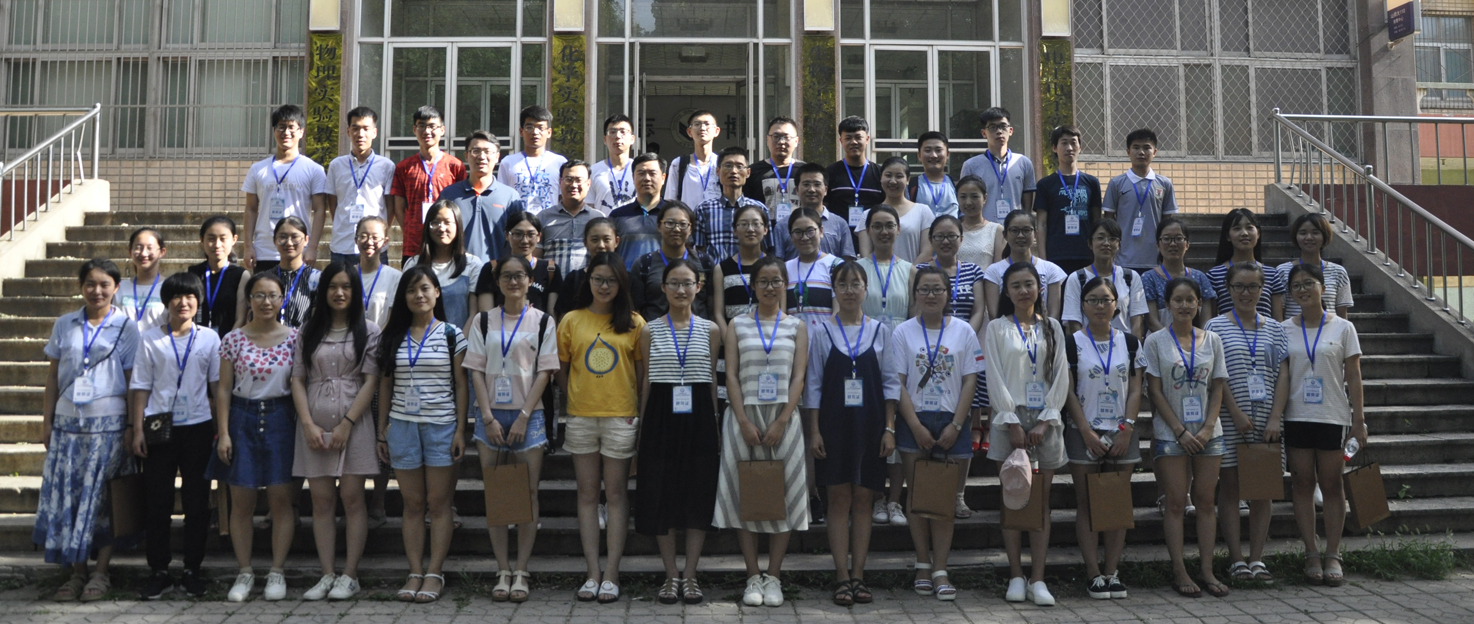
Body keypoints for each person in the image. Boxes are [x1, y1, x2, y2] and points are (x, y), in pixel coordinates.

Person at [37, 258, 140, 602]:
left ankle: (101, 572)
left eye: (105, 284)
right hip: (67, 424)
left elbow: (132, 380)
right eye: (90, 284)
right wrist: (47, 421)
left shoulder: (126, 327)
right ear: (80, 287)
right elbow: (53, 376)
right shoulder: (64, 324)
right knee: (71, 497)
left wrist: (132, 425)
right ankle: (77, 572)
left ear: (116, 288)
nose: (97, 291)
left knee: (102, 500)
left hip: (108, 426)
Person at [714, 256, 809, 609]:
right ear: (753, 286)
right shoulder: (737, 324)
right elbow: (731, 374)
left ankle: (775, 576)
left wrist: (782, 420)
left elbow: (799, 377)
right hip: (744, 417)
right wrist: (742, 420)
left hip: (783, 418)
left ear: (786, 284)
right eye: (764, 281)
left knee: (784, 494)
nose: (770, 287)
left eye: (776, 280)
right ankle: (752, 574)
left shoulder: (796, 326)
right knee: (745, 493)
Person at [465, 256, 559, 603]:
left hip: (528, 416)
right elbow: (475, 370)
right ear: (498, 281)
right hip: (490, 416)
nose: (514, 281)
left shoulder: (543, 321)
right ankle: (502, 569)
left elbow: (545, 372)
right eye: (507, 276)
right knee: (498, 492)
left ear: (530, 280)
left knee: (528, 493)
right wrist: (488, 418)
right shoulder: (484, 320)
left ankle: (521, 569)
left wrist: (523, 416)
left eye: (520, 275)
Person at [286, 262, 382, 601]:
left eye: (346, 286)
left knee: (353, 498)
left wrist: (347, 424)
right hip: (314, 423)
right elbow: (297, 379)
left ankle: (350, 575)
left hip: (354, 424)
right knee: (321, 501)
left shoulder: (368, 330)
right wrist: (307, 424)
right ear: (323, 291)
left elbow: (371, 380)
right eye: (332, 287)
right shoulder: (308, 329)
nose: (339, 293)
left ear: (355, 292)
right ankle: (327, 573)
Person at [804, 260, 897, 606]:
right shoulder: (822, 332)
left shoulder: (880, 331)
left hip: (871, 425)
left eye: (855, 284)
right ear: (834, 290)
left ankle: (859, 574)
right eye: (842, 285)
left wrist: (889, 428)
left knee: (864, 499)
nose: (849, 291)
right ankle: (841, 576)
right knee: (839, 498)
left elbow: (890, 384)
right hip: (833, 425)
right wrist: (814, 431)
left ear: (865, 289)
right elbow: (813, 386)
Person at [375, 265, 468, 604]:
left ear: (437, 292)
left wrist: (461, 430)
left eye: (425, 288)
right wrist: (382, 432)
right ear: (404, 296)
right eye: (412, 290)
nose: (419, 295)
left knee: (439, 504)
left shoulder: (452, 335)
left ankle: (434, 572)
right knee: (413, 504)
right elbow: (386, 385)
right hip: (402, 427)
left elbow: (461, 385)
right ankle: (415, 571)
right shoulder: (393, 335)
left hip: (442, 426)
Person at [558, 252, 647, 604]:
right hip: (581, 417)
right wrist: (575, 399)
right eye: (598, 279)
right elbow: (562, 370)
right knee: (586, 494)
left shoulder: (635, 323)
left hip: (620, 417)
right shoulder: (571, 320)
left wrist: (638, 414)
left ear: (621, 283)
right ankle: (592, 572)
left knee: (616, 495)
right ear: (588, 281)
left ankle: (612, 573)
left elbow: (641, 375)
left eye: (611, 280)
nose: (604, 286)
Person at [891, 265, 983, 602]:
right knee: (917, 495)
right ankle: (922, 563)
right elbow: (898, 382)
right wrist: (914, 426)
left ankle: (941, 568)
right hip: (913, 419)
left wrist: (957, 425)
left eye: (937, 289)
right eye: (924, 289)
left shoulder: (964, 331)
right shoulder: (903, 332)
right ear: (915, 294)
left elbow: (970, 380)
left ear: (948, 294)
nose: (930, 295)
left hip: (951, 420)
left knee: (943, 497)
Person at [209, 271, 299, 603]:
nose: (266, 301)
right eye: (259, 295)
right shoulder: (233, 339)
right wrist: (224, 433)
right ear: (248, 300)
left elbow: (300, 384)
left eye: (272, 295)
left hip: (281, 419)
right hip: (241, 419)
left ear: (282, 300)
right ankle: (245, 571)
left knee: (281, 501)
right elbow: (223, 390)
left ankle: (277, 570)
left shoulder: (295, 338)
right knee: (242, 502)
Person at [635, 259, 721, 606]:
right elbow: (646, 381)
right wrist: (643, 426)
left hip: (698, 416)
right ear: (663, 288)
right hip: (661, 416)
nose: (681, 290)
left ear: (699, 287)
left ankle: (691, 575)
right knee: (662, 493)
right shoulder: (649, 330)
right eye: (674, 283)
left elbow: (711, 379)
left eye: (687, 283)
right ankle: (671, 574)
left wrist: (715, 422)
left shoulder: (711, 330)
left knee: (698, 494)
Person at [130, 272, 219, 600]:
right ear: (166, 302)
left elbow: (216, 388)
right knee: (158, 501)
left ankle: (192, 568)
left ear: (198, 301)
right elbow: (141, 386)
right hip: (158, 425)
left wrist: (221, 430)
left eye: (190, 296)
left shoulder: (209, 338)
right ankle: (159, 571)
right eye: (177, 297)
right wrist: (137, 429)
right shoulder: (150, 338)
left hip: (199, 426)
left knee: (197, 502)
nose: (183, 302)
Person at [985, 262, 1070, 606]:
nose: (1023, 291)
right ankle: (1015, 575)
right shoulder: (996, 328)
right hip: (1009, 418)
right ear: (1006, 292)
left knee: (1041, 503)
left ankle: (1038, 578)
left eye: (1029, 284)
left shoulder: (1052, 327)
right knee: (1012, 498)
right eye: (1016, 285)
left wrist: (1045, 421)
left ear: (1039, 288)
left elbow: (1061, 374)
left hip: (1046, 420)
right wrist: (1012, 422)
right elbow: (993, 375)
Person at [1143, 277, 1230, 598]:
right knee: (1176, 502)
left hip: (1209, 434)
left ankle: (1207, 570)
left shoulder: (1213, 340)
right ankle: (1179, 570)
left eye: (1190, 300)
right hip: (1171, 434)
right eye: (1177, 300)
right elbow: (1154, 391)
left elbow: (1218, 387)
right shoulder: (1155, 341)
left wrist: (1207, 427)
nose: (1184, 305)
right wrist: (1179, 431)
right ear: (1167, 304)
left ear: (1199, 303)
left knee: (1206, 502)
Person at [1205, 263, 1291, 584]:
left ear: (1262, 290)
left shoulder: (1276, 329)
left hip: (1267, 421)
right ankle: (1236, 559)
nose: (1246, 292)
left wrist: (1275, 416)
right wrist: (1236, 413)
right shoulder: (1214, 326)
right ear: (1228, 289)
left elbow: (1283, 374)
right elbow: (1216, 375)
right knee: (1230, 488)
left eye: (1253, 286)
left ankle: (1257, 558)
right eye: (1239, 286)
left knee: (1262, 492)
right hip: (1229, 420)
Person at [1281, 264, 1365, 587]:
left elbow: (1354, 376)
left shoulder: (1343, 328)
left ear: (1323, 288)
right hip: (1297, 415)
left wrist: (1359, 420)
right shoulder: (1284, 329)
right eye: (1296, 286)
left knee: (1332, 485)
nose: (1303, 289)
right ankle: (1311, 552)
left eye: (1309, 283)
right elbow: (1283, 376)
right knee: (1302, 484)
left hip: (1333, 416)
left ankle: (1333, 553)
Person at [1063, 276, 1142, 601]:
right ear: (1083, 305)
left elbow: (1136, 388)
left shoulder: (1130, 342)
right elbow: (1068, 390)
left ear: (1116, 304)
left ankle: (1112, 572)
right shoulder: (1072, 343)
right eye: (1093, 300)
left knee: (1116, 502)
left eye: (1106, 300)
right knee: (1086, 504)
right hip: (1083, 431)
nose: (1099, 306)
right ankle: (1093, 574)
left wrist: (1127, 428)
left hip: (1122, 431)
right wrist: (1085, 431)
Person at [915, 215, 987, 519]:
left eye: (952, 236)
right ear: (931, 239)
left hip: (963, 349)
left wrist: (962, 337)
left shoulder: (973, 270)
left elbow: (980, 308)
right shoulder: (920, 270)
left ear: (961, 239)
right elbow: (915, 308)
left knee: (962, 424)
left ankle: (958, 495)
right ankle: (927, 492)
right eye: (939, 236)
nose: (946, 241)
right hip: (927, 350)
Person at [858, 206, 913, 528]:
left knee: (898, 430)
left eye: (889, 225)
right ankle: (877, 496)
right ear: (867, 230)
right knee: (873, 429)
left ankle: (894, 500)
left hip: (901, 356)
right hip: (866, 355)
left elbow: (915, 316)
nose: (883, 231)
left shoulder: (910, 270)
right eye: (876, 226)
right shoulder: (857, 268)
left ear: (898, 230)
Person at [242, 104, 329, 272]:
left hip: (298, 250)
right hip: (264, 250)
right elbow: (251, 209)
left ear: (301, 132)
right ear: (274, 130)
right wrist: (248, 246)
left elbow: (320, 210)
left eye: (291, 127)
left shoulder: (314, 170)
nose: (286, 132)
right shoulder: (257, 169)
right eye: (281, 127)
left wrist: (312, 247)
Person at [390, 105, 466, 262]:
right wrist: (410, 231)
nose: (427, 131)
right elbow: (398, 207)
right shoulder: (404, 167)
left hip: (446, 243)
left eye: (432, 126)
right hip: (414, 245)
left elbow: (461, 205)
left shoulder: (455, 166)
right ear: (414, 129)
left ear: (442, 130)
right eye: (421, 126)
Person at [439, 130, 525, 265]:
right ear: (466, 156)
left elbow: (519, 238)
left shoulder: (510, 197)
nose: (481, 156)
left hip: (497, 271)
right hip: (457, 270)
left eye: (488, 151)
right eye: (476, 151)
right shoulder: (450, 195)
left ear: (497, 157)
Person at [325, 106, 395, 266]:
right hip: (342, 244)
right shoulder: (336, 165)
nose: (360, 134)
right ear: (348, 131)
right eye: (355, 128)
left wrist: (381, 231)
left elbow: (390, 207)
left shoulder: (386, 166)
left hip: (374, 246)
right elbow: (333, 203)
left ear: (374, 133)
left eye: (366, 129)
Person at [1103, 128, 1178, 273]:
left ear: (1154, 152)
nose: (1141, 152)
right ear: (1128, 151)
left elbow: (1168, 222)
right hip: (1123, 259)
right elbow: (1108, 220)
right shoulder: (1116, 183)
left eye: (1146, 148)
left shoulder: (1164, 184)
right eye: (1136, 147)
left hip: (1155, 259)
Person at [403, 200, 484, 329]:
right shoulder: (413, 264)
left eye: (447, 222)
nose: (441, 228)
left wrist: (460, 341)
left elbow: (473, 313)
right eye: (435, 222)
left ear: (458, 225)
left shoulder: (472, 264)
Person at [1033, 125, 1102, 274]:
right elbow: (1042, 224)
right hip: (1056, 255)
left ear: (1080, 147)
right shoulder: (1045, 184)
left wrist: (1097, 255)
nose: (1069, 148)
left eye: (1073, 143)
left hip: (1086, 254)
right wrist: (1043, 260)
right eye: (1064, 143)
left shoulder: (1091, 182)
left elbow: (1097, 222)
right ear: (1054, 148)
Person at [1062, 219, 1147, 337]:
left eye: (1112, 239)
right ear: (1090, 244)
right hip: (1088, 344)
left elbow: (1137, 322)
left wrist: (1133, 346)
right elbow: (1073, 322)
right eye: (1100, 238)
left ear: (1119, 244)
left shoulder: (1131, 277)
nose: (1106, 243)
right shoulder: (1077, 278)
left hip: (1123, 344)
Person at [982, 210, 1067, 320]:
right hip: (1005, 329)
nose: (1021, 235)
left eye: (1026, 230)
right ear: (1005, 235)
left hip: (1043, 329)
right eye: (1014, 230)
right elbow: (994, 315)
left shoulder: (1051, 269)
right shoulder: (993, 271)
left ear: (1035, 234)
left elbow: (1053, 314)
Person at [632, 201, 709, 321]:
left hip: (698, 331)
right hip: (655, 331)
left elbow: (713, 307)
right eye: (670, 223)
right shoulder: (644, 264)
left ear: (691, 229)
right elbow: (636, 311)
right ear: (659, 226)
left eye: (683, 224)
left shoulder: (705, 262)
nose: (676, 229)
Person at [694, 146, 767, 267]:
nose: (733, 171)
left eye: (739, 166)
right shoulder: (704, 209)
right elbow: (699, 250)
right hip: (714, 273)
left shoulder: (759, 209)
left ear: (748, 172)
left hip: (751, 274)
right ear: (718, 171)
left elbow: (767, 248)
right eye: (728, 166)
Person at [960, 107, 1036, 224]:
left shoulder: (1023, 163)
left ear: (1010, 131)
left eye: (1003, 126)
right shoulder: (971, 165)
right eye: (992, 127)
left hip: (1015, 229)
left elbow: (1027, 207)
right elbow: (964, 204)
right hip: (983, 229)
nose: (999, 131)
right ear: (984, 133)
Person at [1208, 208, 1285, 320]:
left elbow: (1278, 321)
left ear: (1258, 233)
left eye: (1249, 228)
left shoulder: (1272, 274)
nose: (1244, 233)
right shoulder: (1214, 275)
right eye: (1237, 228)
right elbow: (1211, 319)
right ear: (1228, 236)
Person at [478, 210, 559, 314]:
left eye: (531, 234)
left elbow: (552, 316)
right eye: (518, 234)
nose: (524, 240)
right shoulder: (492, 269)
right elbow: (486, 316)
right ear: (507, 235)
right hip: (499, 324)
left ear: (539, 237)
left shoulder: (550, 270)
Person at [1142, 216, 1215, 331]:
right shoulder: (1148, 278)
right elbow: (1151, 321)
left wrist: (1199, 339)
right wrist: (1171, 339)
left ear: (1187, 244)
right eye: (1166, 239)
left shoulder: (1200, 277)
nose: (1172, 244)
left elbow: (1206, 321)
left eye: (1178, 238)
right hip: (1159, 339)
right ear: (1158, 245)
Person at [856, 157, 934, 264]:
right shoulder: (867, 215)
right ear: (881, 178)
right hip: (877, 273)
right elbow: (866, 255)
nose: (893, 181)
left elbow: (927, 253)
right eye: (888, 175)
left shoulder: (923, 212)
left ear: (908, 180)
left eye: (899, 176)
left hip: (914, 273)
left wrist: (907, 272)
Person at [1277, 213, 1354, 319]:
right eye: (1303, 233)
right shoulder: (1282, 271)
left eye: (1315, 233)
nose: (1309, 237)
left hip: (1329, 329)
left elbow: (1342, 315)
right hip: (1293, 329)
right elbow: (1279, 312)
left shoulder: (1339, 272)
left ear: (1324, 236)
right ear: (1296, 236)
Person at [786, 208, 845, 340]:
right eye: (798, 232)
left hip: (826, 342)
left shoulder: (836, 266)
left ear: (821, 231)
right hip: (792, 343)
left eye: (810, 231)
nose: (804, 237)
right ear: (791, 236)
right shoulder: (785, 269)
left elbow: (838, 312)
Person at [824, 116, 885, 243]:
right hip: (838, 239)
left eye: (858, 137)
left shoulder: (880, 173)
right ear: (841, 141)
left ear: (867, 139)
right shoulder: (831, 172)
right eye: (848, 138)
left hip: (873, 240)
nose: (853, 142)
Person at [541, 160, 603, 279]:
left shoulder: (598, 219)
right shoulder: (543, 217)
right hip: (552, 286)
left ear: (588, 184)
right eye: (568, 179)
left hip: (588, 286)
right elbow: (536, 259)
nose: (574, 185)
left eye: (579, 180)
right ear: (560, 182)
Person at [498, 105, 568, 213]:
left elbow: (564, 198)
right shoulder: (508, 162)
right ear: (521, 131)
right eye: (529, 127)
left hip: (550, 221)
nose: (535, 132)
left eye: (541, 128)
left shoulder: (559, 162)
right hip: (518, 221)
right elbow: (502, 198)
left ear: (549, 132)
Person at [744, 116, 803, 238]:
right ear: (767, 140)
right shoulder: (753, 171)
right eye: (776, 137)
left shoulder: (805, 171)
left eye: (786, 137)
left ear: (796, 141)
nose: (781, 142)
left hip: (799, 235)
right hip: (764, 236)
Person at [713, 204, 769, 333]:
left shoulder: (775, 265)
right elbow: (718, 314)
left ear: (765, 229)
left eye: (756, 224)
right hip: (734, 337)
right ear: (735, 230)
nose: (750, 229)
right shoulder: (721, 269)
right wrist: (729, 340)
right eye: (744, 224)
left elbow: (781, 309)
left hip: (769, 337)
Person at [190, 216, 251, 335]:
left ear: (234, 239)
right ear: (202, 239)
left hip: (229, 340)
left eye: (223, 239)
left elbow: (241, 318)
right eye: (211, 239)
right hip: (196, 340)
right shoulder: (192, 273)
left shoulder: (241, 275)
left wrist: (227, 341)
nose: (217, 245)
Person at [609, 153, 669, 268]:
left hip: (663, 277)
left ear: (663, 178)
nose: (647, 178)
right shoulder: (617, 215)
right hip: (627, 277)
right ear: (633, 177)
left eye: (652, 173)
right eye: (641, 173)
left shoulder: (674, 214)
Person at [555, 217, 620, 320]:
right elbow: (563, 322)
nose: (601, 245)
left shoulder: (629, 280)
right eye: (595, 240)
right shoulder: (573, 279)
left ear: (616, 241)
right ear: (585, 243)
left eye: (606, 239)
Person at [792, 162, 855, 260]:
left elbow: (848, 260)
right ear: (797, 190)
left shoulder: (840, 224)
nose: (812, 190)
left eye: (817, 184)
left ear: (825, 190)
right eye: (806, 184)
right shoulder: (783, 225)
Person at [268, 216, 321, 329]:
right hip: (270, 338)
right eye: (282, 237)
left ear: (306, 240)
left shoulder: (316, 278)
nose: (289, 243)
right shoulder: (266, 278)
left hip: (304, 338)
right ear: (274, 241)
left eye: (295, 237)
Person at [665, 110, 722, 207]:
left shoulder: (722, 163)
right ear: (689, 132)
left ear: (716, 131)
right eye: (697, 124)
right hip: (687, 216)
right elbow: (670, 201)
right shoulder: (678, 164)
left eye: (707, 124)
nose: (702, 128)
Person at [117, 227, 168, 329]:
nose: (144, 253)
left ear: (162, 252)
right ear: (130, 252)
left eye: (150, 248)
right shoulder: (119, 288)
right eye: (138, 247)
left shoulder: (169, 288)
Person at [955, 176, 1006, 275]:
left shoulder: (997, 230)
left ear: (985, 198)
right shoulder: (953, 231)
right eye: (963, 197)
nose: (968, 202)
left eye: (974, 197)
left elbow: (999, 270)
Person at [587, 114, 638, 213]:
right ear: (605, 139)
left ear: (632, 139)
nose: (618, 136)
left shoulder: (639, 170)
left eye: (623, 132)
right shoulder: (593, 171)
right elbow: (589, 207)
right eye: (612, 132)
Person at [909, 132, 958, 218]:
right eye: (928, 150)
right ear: (919, 155)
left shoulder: (956, 186)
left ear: (947, 154)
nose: (933, 155)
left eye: (938, 150)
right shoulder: (911, 186)